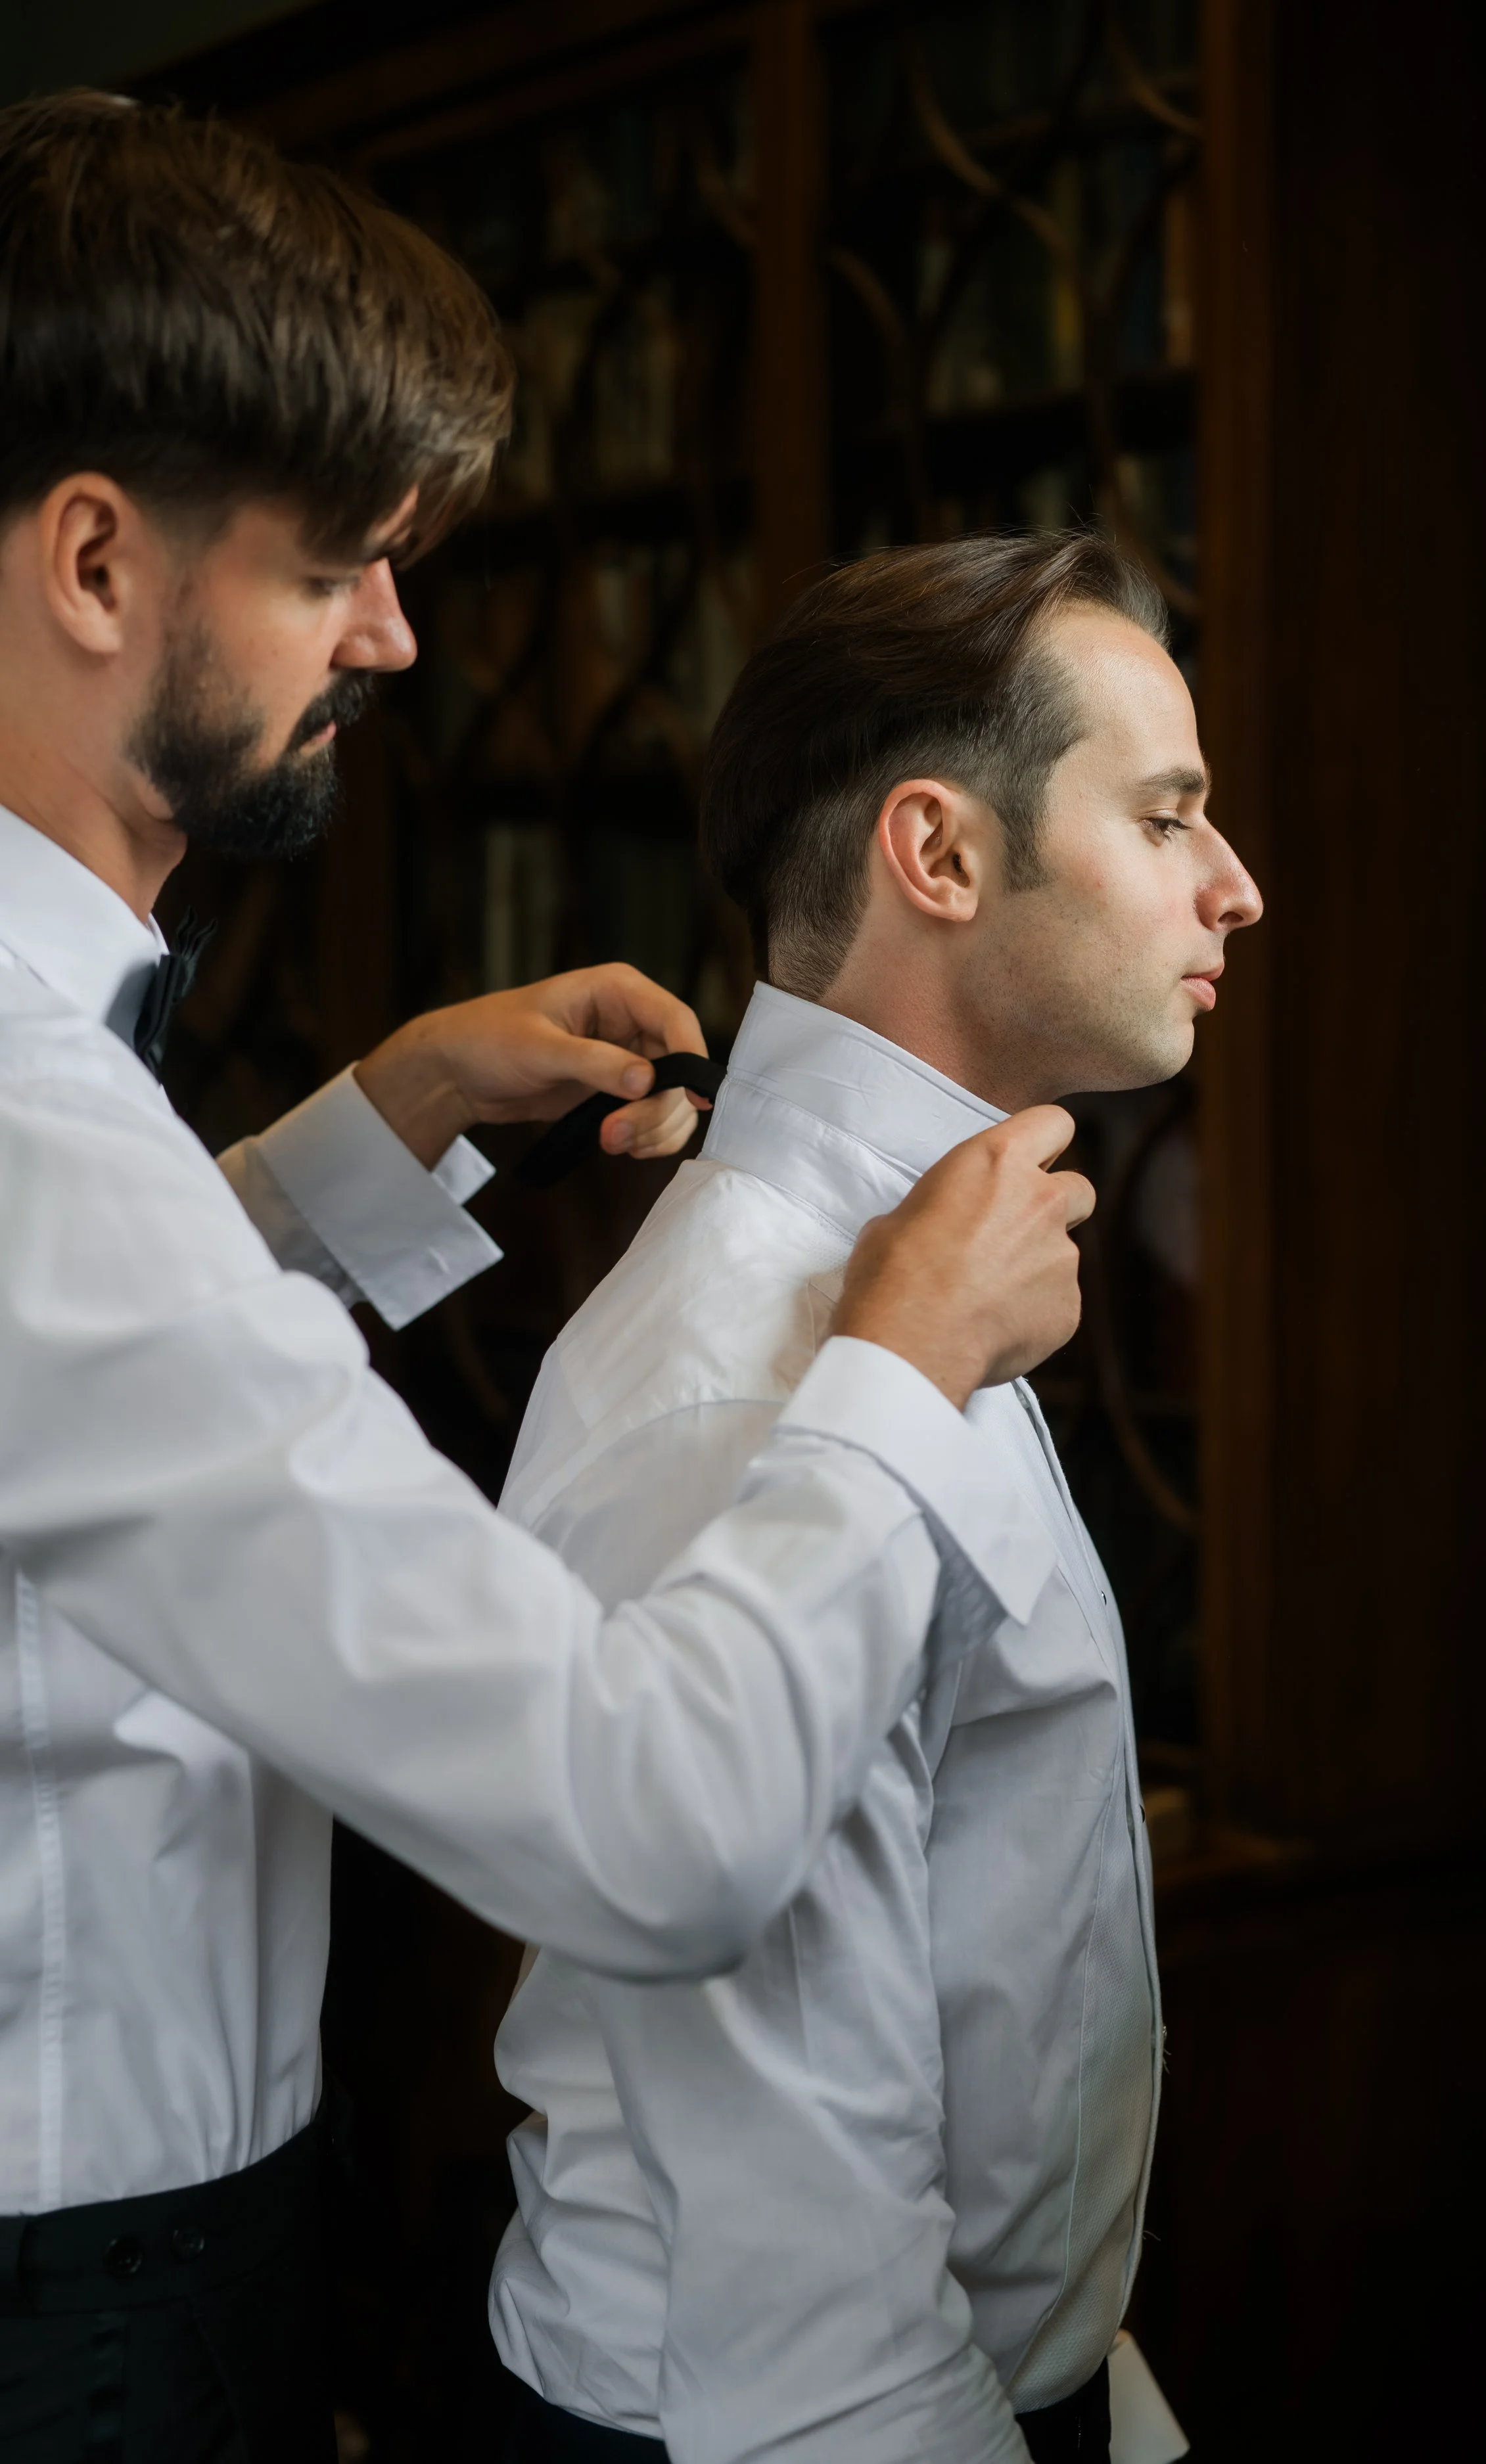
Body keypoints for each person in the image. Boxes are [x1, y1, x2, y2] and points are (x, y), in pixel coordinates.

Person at [0, 97, 1096, 2464]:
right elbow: (648, 1825)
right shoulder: (33, 1132)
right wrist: (895, 1367)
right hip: (80, 2326)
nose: (394, 637)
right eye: (340, 569)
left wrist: (357, 1138)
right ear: (96, 559)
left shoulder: (63, 1116)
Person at [488, 532, 1263, 2463]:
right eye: (1164, 813)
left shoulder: (934, 1264)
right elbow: (804, 2289)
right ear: (938, 854)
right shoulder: (735, 1380)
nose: (1232, 884)